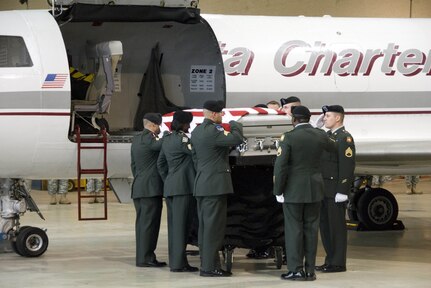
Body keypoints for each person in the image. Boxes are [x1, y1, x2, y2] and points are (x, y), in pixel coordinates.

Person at [273, 105, 335, 281]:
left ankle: (296, 270)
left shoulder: (289, 137)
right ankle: (310, 271)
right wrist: (318, 130)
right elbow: (333, 148)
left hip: (293, 190)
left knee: (294, 230)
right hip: (315, 189)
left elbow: (281, 167)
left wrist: (278, 189)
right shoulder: (320, 135)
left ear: (294, 119)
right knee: (311, 230)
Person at [191, 100, 244, 277]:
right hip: (215, 186)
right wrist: (236, 123)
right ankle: (210, 268)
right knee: (214, 228)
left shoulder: (197, 131)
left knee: (205, 227)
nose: (222, 116)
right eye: (221, 113)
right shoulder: (213, 131)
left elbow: (195, 158)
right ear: (214, 114)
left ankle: (207, 264)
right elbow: (236, 138)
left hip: (202, 184)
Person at [157, 110, 199, 273]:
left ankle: (177, 261)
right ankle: (178, 264)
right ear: (183, 124)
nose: (189, 126)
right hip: (184, 189)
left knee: (174, 227)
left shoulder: (166, 140)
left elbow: (160, 164)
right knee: (182, 227)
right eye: (188, 123)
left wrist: (169, 179)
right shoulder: (183, 140)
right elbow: (196, 154)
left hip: (171, 188)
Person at [316, 105, 356, 273]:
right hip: (324, 189)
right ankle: (330, 259)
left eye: (328, 116)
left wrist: (343, 189)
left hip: (335, 190)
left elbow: (347, 166)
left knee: (336, 228)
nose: (325, 119)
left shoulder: (344, 138)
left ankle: (338, 262)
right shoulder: (327, 136)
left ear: (338, 118)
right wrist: (316, 128)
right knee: (325, 227)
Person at [130, 112, 166, 268]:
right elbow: (164, 145)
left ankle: (144, 256)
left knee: (142, 225)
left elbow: (133, 165)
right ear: (152, 125)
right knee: (149, 225)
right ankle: (146, 258)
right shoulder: (149, 139)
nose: (160, 129)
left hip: (139, 186)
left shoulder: (136, 139)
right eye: (159, 126)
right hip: (150, 189)